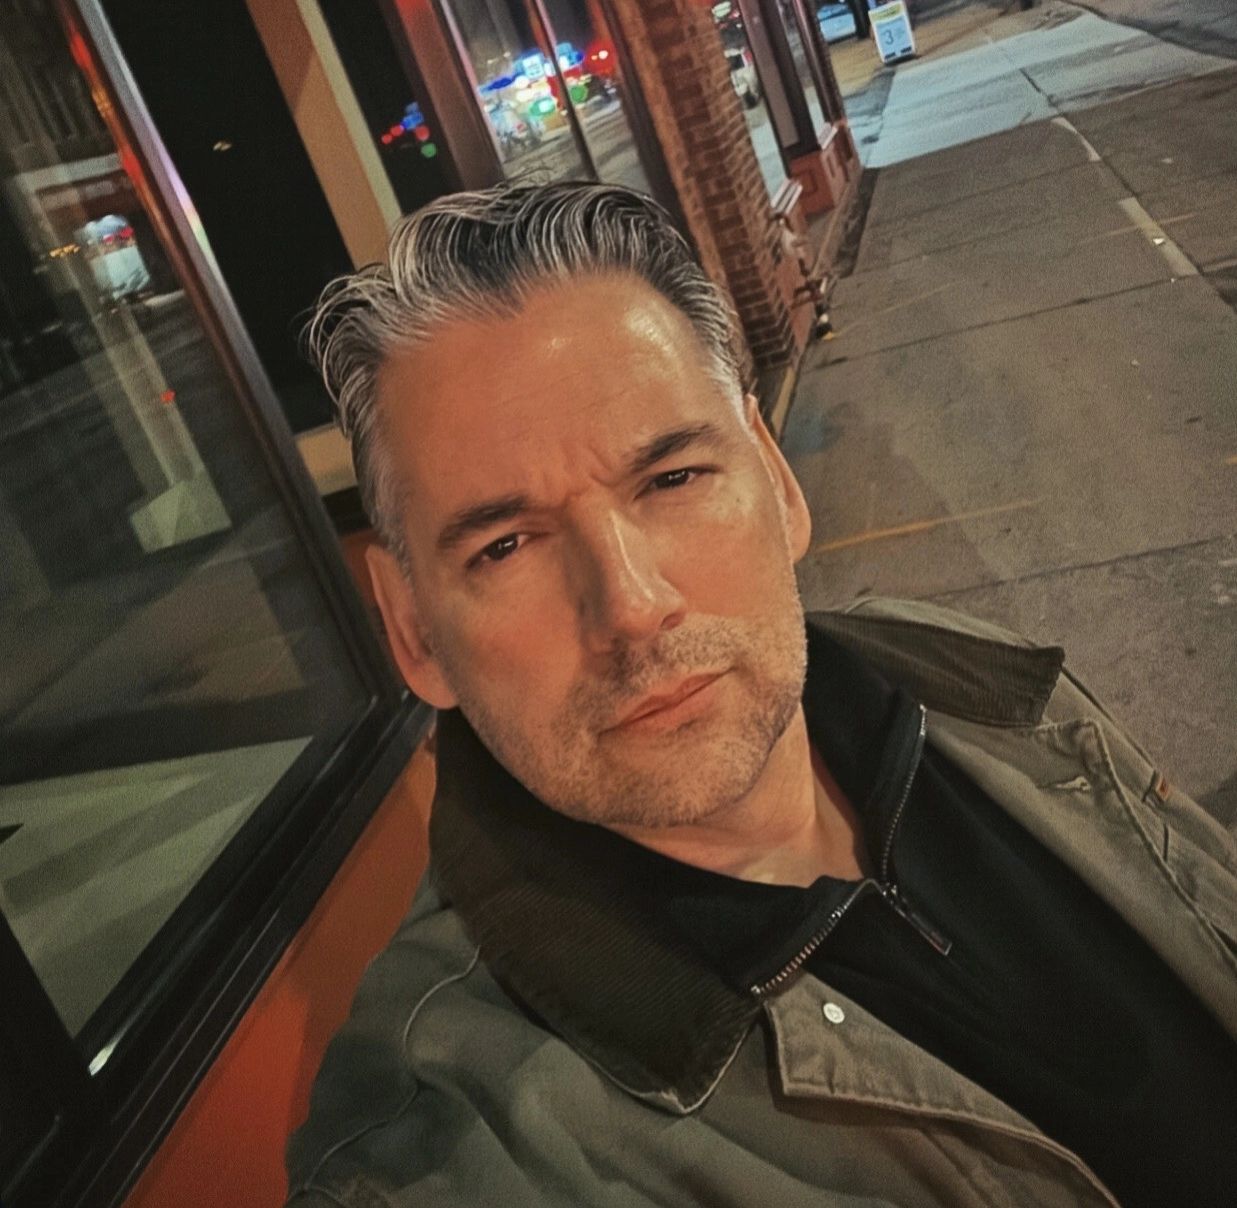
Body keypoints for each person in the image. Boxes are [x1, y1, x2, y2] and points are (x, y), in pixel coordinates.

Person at [287, 181, 1237, 1207]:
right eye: (506, 545)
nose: (632, 605)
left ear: (777, 482)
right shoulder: (454, 1147)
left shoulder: (963, 674)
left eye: (673, 479)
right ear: (414, 633)